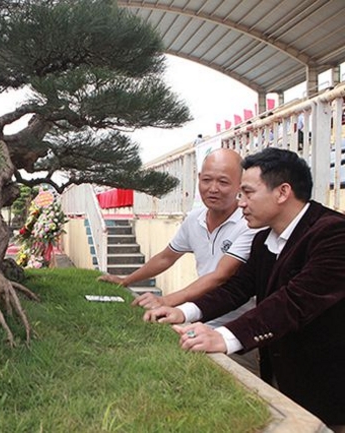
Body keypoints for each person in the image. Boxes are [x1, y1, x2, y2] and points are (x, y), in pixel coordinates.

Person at [145, 148, 345, 429]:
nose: (241, 203)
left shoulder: (333, 234)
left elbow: (294, 302)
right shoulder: (263, 238)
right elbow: (236, 289)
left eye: (248, 193)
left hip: (329, 387)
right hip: (282, 374)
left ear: (282, 192)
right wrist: (183, 312)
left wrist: (223, 337)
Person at [98, 149, 258, 327]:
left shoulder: (250, 224)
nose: (213, 189)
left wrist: (166, 301)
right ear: (198, 178)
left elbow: (220, 275)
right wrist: (126, 280)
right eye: (206, 180)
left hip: (239, 324)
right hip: (200, 317)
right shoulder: (194, 219)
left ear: (240, 184)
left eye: (223, 182)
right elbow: (165, 258)